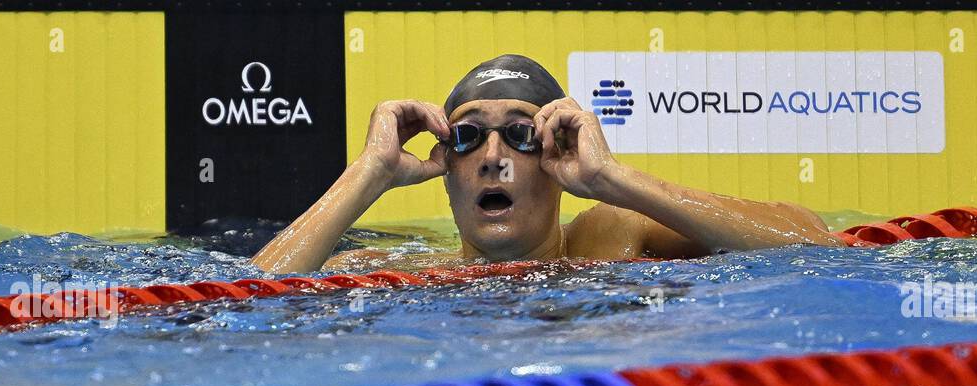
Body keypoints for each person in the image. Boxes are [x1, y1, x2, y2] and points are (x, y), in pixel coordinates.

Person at [252, 54, 839, 274]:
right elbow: (236, 301)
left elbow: (814, 246)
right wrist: (370, 173)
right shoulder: (388, 272)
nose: (492, 158)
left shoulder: (611, 238)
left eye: (518, 135)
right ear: (446, 173)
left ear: (557, 158)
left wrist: (614, 179)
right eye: (468, 137)